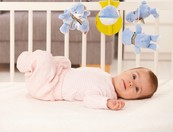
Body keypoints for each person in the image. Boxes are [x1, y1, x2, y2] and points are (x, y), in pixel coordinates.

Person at [17, 50, 158, 111]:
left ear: (134, 99)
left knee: (44, 57)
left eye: (137, 89)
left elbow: (89, 99)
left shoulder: (108, 93)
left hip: (47, 87)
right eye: (134, 76)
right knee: (59, 60)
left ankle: (23, 61)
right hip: (55, 75)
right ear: (127, 70)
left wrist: (107, 103)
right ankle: (32, 67)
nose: (131, 83)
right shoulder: (106, 76)